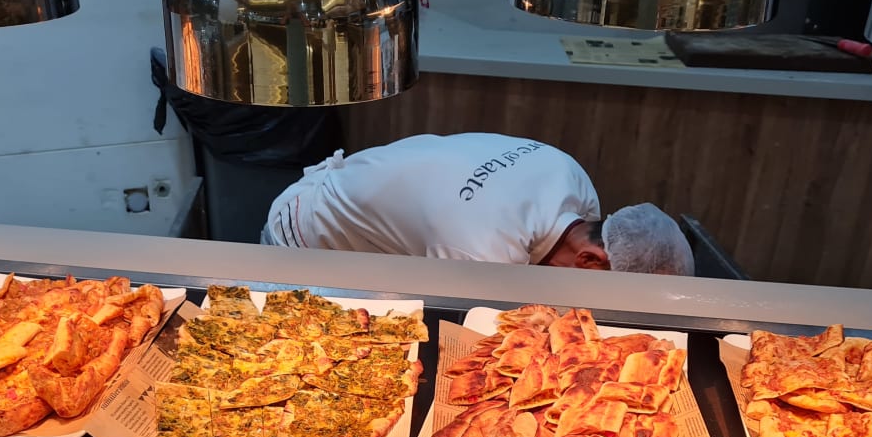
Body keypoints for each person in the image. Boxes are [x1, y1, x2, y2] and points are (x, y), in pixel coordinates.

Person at [262, 133, 695, 275]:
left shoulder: (574, 181)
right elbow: (463, 334)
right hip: (309, 230)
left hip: (371, 193)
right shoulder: (481, 249)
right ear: (590, 259)